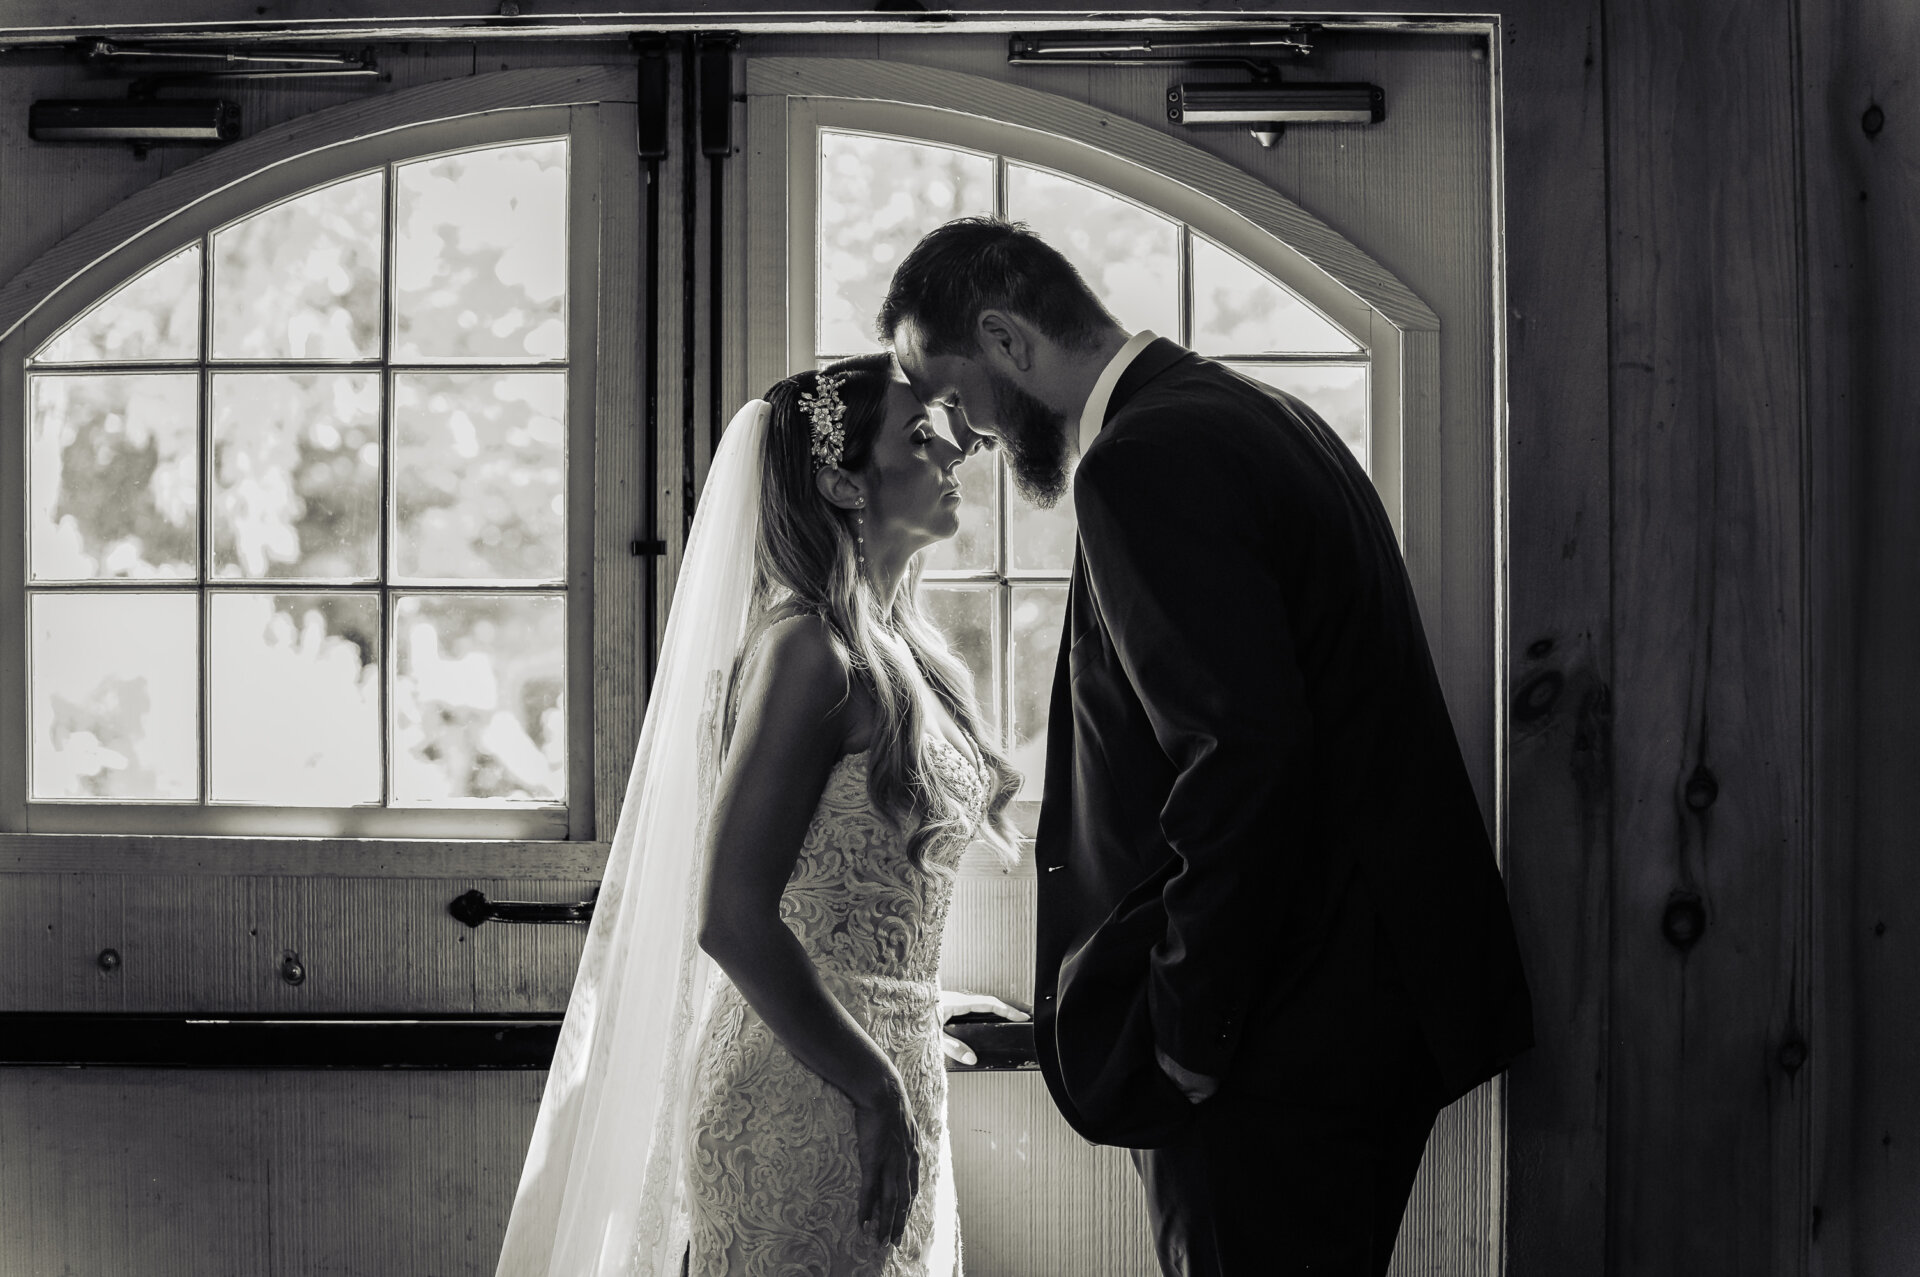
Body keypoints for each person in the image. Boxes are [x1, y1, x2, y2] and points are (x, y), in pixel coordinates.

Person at [878, 219, 1533, 1277]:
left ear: (1004, 338)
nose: (968, 435)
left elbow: (1240, 753)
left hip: (1276, 1031)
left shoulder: (1143, 462)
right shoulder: (1256, 413)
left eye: (950, 393)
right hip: (1356, 998)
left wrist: (1188, 1025)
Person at [494, 351, 1025, 1277]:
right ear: (840, 482)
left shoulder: (904, 651)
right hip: (807, 1090)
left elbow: (842, 891)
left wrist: (911, 998)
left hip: (879, 1063)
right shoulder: (805, 651)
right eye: (917, 433)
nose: (953, 449)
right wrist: (873, 1085)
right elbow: (731, 915)